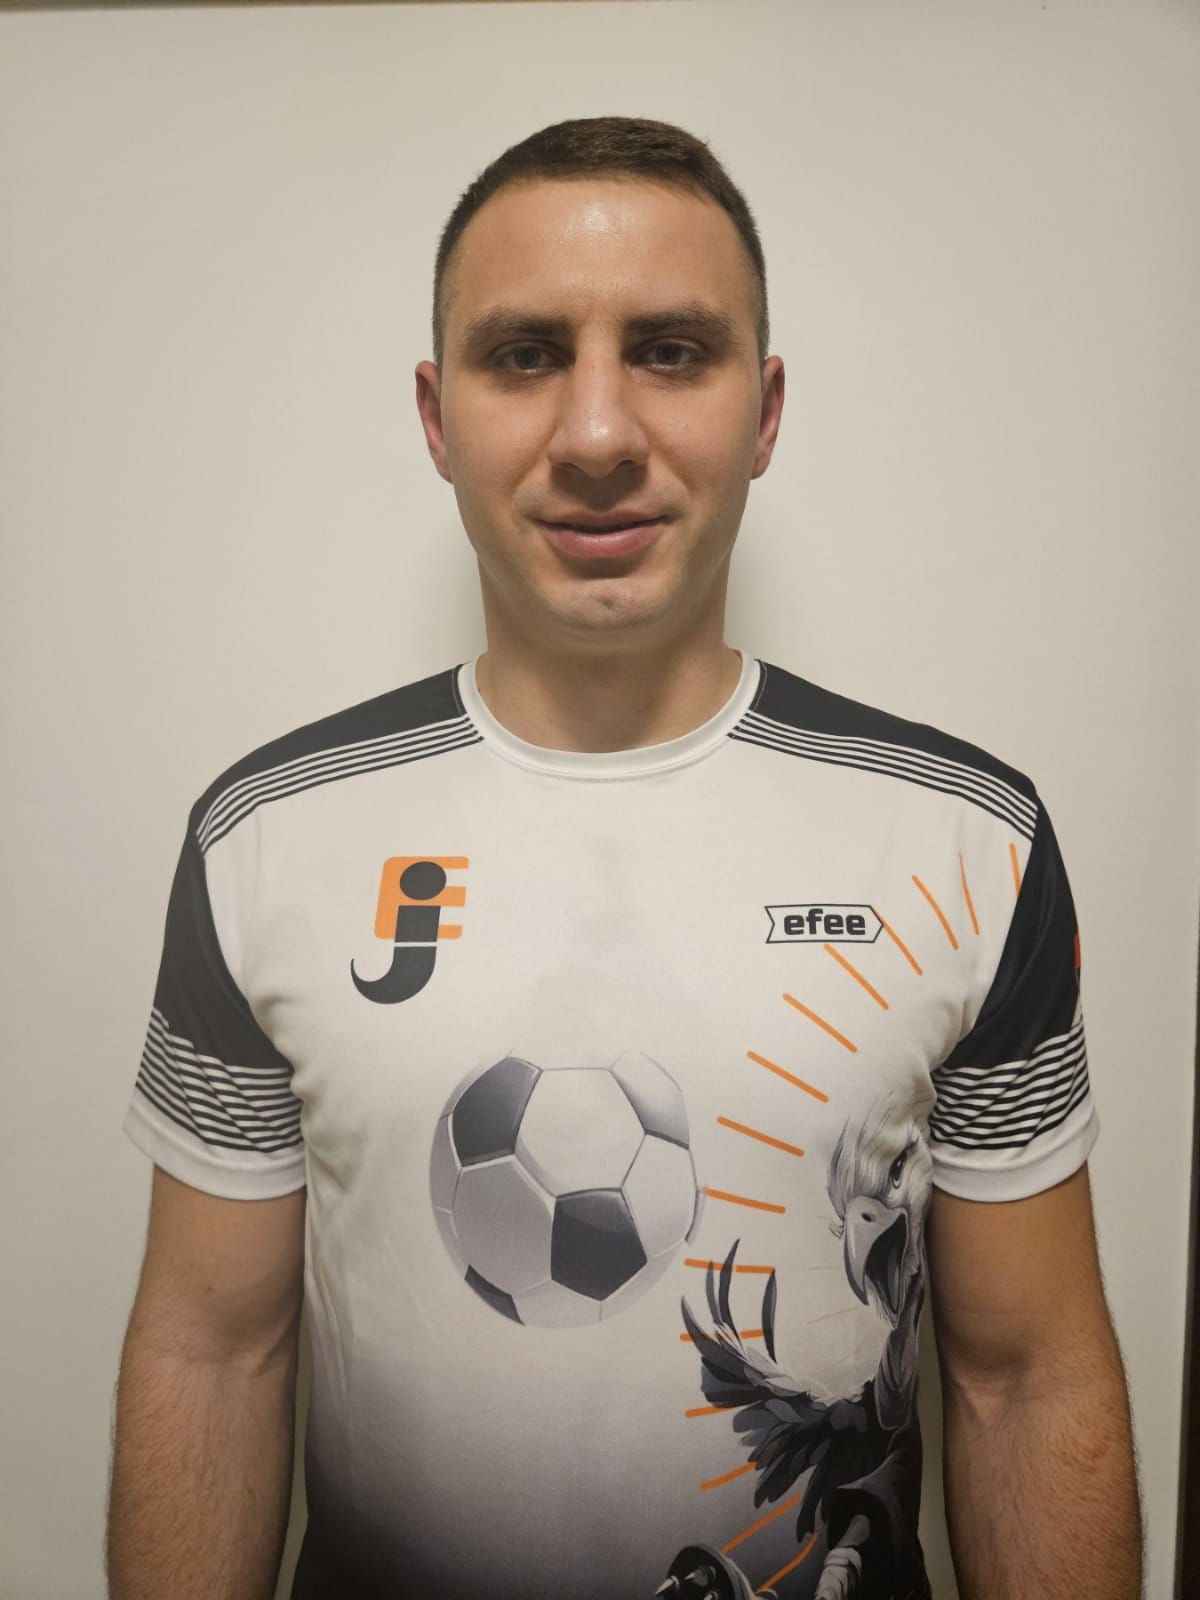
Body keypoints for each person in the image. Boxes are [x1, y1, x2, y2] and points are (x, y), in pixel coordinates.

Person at [107, 117, 1141, 1600]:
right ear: (437, 415)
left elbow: (1025, 1376)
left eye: (670, 351)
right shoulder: (264, 837)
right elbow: (215, 1350)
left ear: (764, 410)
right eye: (527, 354)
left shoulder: (968, 839)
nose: (597, 435)